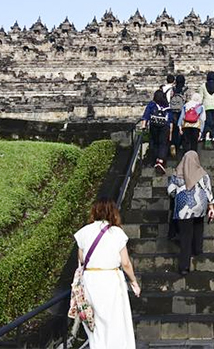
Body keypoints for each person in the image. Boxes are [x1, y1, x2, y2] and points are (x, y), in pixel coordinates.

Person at [73, 198, 140, 349]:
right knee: (114, 321)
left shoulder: (84, 232)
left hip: (90, 279)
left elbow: (82, 259)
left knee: (95, 323)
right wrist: (133, 281)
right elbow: (126, 263)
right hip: (111, 279)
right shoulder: (116, 233)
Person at [167, 151, 214, 275]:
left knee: (185, 236)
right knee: (198, 226)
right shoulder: (203, 174)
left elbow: (170, 191)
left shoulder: (177, 174)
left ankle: (184, 266)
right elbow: (208, 191)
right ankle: (197, 250)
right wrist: (211, 207)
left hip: (183, 209)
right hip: (200, 205)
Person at [141, 90, 173, 174]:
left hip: (154, 126)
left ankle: (154, 160)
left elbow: (146, 115)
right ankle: (161, 160)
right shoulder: (167, 106)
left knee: (154, 142)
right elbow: (170, 119)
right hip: (164, 126)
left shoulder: (152, 104)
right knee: (163, 143)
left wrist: (143, 125)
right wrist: (170, 132)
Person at [168, 75, 188, 156]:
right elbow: (187, 100)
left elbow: (169, 98)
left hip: (173, 110)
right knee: (183, 128)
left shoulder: (173, 89)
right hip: (182, 110)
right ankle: (181, 144)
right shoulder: (185, 89)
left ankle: (173, 144)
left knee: (175, 128)